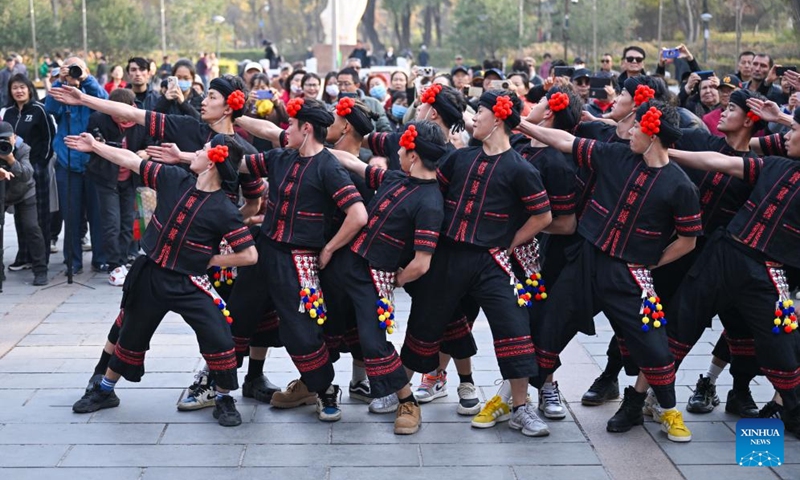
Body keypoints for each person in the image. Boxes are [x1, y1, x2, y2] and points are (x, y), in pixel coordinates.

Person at [519, 100, 700, 442]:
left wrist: (651, 263)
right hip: (586, 261)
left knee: (654, 344)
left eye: (637, 128)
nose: (630, 132)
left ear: (653, 135)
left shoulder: (680, 186)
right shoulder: (615, 156)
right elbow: (564, 141)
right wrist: (521, 124)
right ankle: (518, 400)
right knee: (548, 328)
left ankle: (658, 408)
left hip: (628, 274)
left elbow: (688, 240)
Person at [68, 131, 258, 427]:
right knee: (130, 333)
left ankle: (222, 398)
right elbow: (131, 160)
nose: (195, 152)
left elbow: (249, 255)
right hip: (151, 274)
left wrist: (209, 260)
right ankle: (105, 390)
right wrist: (95, 146)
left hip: (190, 282)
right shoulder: (174, 179)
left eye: (203, 149)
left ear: (212, 164)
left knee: (219, 335)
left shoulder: (223, 208)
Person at [402, 91, 553, 437]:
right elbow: (432, 193)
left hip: (492, 261)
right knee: (425, 320)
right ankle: (399, 393)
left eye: (480, 112)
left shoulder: (520, 167)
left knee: (514, 326)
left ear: (497, 119)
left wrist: (509, 242)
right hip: (450, 255)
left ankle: (520, 408)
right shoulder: (460, 159)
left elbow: (542, 215)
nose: (474, 119)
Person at [233, 97, 368, 422]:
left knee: (299, 330)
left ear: (306, 129)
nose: (285, 131)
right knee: (239, 313)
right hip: (263, 249)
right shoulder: (282, 157)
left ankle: (323, 390)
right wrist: (203, 149)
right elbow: (243, 165)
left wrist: (329, 248)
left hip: (299, 259)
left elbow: (358, 214)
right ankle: (217, 383)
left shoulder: (328, 167)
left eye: (290, 126)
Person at [665, 111, 800, 437]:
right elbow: (719, 162)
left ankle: (787, 412)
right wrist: (665, 152)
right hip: (725, 254)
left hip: (769, 273)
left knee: (780, 342)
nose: (786, 135)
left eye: (794, 130)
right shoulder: (778, 165)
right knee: (681, 320)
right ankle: (648, 397)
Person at [324, 121, 447, 434]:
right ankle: (313, 385)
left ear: (414, 156)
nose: (400, 155)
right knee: (323, 324)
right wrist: (315, 150)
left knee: (373, 340)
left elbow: (421, 263)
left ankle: (406, 402)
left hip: (374, 277)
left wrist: (394, 280)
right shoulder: (395, 177)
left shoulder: (431, 203)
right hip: (346, 264)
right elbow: (354, 162)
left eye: (403, 151)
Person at [44, 57, 109, 275]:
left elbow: (105, 102)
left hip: (93, 162)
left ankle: (100, 258)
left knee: (97, 214)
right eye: (70, 68)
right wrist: (60, 82)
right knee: (70, 215)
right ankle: (72, 261)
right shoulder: (62, 91)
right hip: (67, 162)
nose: (73, 72)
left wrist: (86, 79)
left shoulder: (91, 91)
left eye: (77, 68)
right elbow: (50, 108)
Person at [85, 88, 148, 286]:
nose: (120, 117)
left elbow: (150, 144)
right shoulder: (98, 118)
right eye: (115, 113)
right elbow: (94, 145)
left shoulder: (141, 119)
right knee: (111, 222)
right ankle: (114, 265)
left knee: (127, 222)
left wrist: (144, 153)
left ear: (133, 108)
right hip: (106, 178)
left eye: (124, 112)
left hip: (130, 178)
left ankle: (123, 259)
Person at [3, 74, 55, 272]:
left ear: (30, 89)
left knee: (39, 217)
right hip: (14, 169)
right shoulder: (7, 113)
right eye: (15, 88)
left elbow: (49, 139)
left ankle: (41, 258)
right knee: (19, 215)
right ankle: (23, 255)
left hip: (36, 170)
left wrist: (40, 164)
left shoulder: (40, 110)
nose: (19, 91)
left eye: (22, 87)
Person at [0, 122, 49, 285]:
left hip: (24, 192)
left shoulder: (23, 149)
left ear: (14, 138)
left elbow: (27, 174)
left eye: (6, 139)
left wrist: (11, 160)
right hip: (1, 193)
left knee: (31, 227)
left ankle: (41, 270)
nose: (4, 143)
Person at [337, 67, 391, 132]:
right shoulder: (335, 107)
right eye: (339, 84)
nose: (342, 88)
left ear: (357, 85)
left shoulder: (373, 103)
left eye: (346, 84)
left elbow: (385, 129)